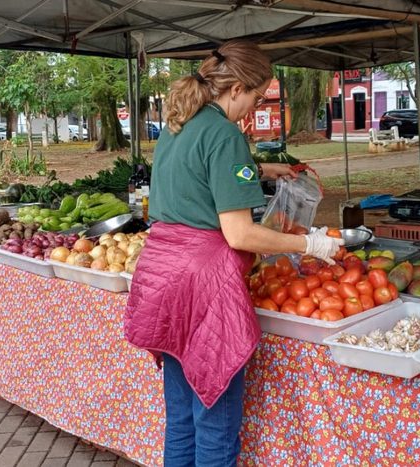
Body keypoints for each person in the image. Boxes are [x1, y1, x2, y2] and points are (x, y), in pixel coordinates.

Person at [124, 40, 344, 466]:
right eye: (258, 97)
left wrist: (260, 168)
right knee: (215, 428)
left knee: (181, 420)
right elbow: (240, 234)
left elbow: (200, 171)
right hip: (203, 285)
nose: (253, 107)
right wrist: (310, 243)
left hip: (162, 278)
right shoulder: (225, 133)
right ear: (237, 88)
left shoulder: (178, 125)